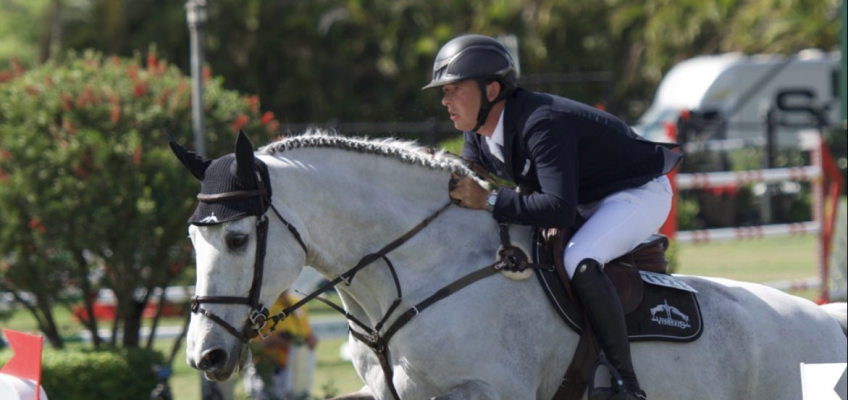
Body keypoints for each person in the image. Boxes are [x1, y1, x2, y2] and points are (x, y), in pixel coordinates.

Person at [423, 34, 682, 400]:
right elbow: (470, 174)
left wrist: (492, 199)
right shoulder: (478, 132)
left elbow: (557, 208)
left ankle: (626, 384)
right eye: (443, 91)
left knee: (579, 257)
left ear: (492, 89)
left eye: (454, 89)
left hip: (637, 191)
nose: (445, 100)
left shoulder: (541, 123)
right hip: (587, 198)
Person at [243, 290, 318, 400]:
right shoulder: (264, 306)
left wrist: (310, 337)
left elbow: (306, 330)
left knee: (298, 395)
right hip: (269, 363)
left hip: (295, 363)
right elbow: (251, 339)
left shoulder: (297, 302)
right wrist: (273, 341)